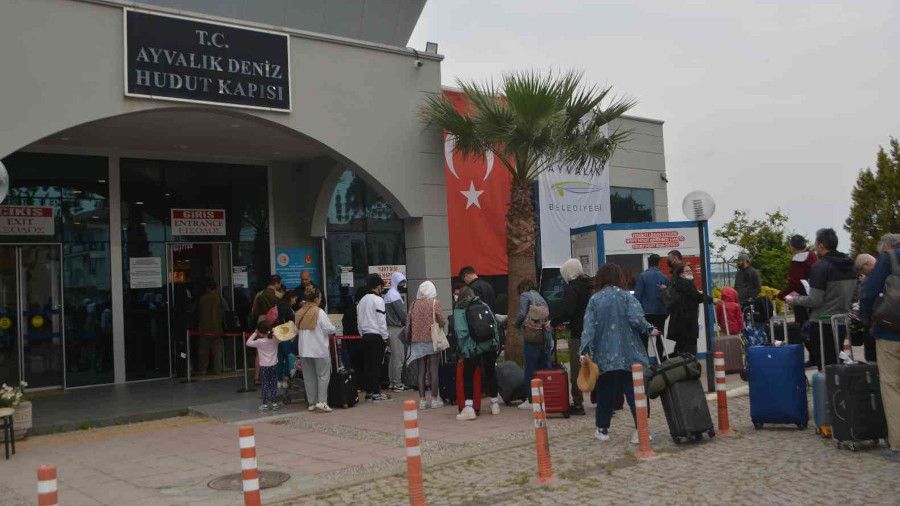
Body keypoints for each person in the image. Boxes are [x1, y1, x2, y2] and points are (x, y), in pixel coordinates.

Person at [580, 263, 658, 443]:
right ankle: (641, 430)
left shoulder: (595, 300)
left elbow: (589, 328)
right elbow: (637, 319)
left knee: (605, 392)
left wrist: (584, 351)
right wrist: (649, 329)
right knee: (635, 393)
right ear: (619, 277)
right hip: (630, 354)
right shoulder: (627, 297)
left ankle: (602, 429)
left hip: (604, 356)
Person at [786, 228, 856, 369]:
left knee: (825, 366)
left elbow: (815, 300)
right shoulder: (850, 265)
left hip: (822, 321)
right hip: (841, 320)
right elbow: (855, 294)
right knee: (837, 362)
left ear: (821, 246)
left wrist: (795, 300)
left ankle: (828, 390)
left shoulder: (821, 267)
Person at [860, 233, 900, 462]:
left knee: (892, 386)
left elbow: (869, 291)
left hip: (890, 332)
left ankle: (897, 445)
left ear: (886, 247)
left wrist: (868, 319)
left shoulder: (889, 259)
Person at [550, 258, 593, 415]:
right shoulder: (588, 286)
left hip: (577, 333)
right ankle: (600, 398)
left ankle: (578, 402)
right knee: (593, 366)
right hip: (591, 332)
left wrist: (554, 322)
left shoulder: (572, 288)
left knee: (576, 368)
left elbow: (569, 311)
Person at [453, 286, 501, 420]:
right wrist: (495, 343)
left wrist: (464, 349)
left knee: (468, 376)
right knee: (491, 372)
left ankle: (468, 408)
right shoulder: (483, 304)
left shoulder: (460, 308)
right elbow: (494, 325)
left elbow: (461, 333)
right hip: (489, 345)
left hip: (472, 348)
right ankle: (494, 404)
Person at [405, 280, 447, 410]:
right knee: (434, 370)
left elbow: (408, 321)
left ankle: (422, 400)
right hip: (432, 340)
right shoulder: (435, 303)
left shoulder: (413, 304)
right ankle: (434, 399)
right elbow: (442, 321)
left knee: (421, 371)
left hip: (417, 341)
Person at [296, 286, 336, 412]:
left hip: (304, 350)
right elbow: (328, 329)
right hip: (319, 349)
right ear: (317, 298)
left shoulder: (300, 312)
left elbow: (296, 330)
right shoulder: (319, 312)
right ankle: (322, 402)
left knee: (309, 377)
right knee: (323, 375)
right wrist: (335, 328)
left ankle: (312, 403)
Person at [514, 279, 551, 411]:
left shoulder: (525, 296)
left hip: (533, 335)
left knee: (530, 367)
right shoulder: (540, 296)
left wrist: (516, 324)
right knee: (544, 366)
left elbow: (522, 314)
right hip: (545, 335)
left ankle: (531, 399)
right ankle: (547, 396)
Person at [667, 263, 714, 356]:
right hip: (687, 323)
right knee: (689, 350)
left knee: (680, 348)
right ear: (681, 274)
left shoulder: (678, 284)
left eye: (690, 270)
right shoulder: (686, 283)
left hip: (680, 323)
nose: (690, 272)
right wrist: (712, 299)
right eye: (687, 271)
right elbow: (697, 296)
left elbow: (692, 297)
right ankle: (688, 367)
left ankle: (677, 366)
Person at [357, 274, 391, 401]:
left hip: (365, 335)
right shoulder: (378, 300)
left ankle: (369, 391)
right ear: (378, 287)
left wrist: (361, 333)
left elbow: (359, 320)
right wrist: (385, 337)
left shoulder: (362, 300)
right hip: (376, 336)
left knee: (368, 365)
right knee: (377, 365)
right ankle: (376, 392)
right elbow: (381, 320)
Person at [633, 254, 669, 359]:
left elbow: (637, 296)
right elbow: (669, 296)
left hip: (646, 312)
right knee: (660, 336)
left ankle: (646, 361)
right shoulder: (664, 277)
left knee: (644, 337)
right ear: (659, 263)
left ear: (649, 262)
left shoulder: (642, 276)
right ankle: (661, 360)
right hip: (661, 312)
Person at [776, 235, 818, 326]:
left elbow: (795, 285)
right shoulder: (813, 256)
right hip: (817, 297)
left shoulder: (798, 261)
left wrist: (782, 295)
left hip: (803, 301)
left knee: (803, 329)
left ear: (792, 247)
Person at [384, 271, 411, 392]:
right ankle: (397, 382)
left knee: (393, 357)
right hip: (396, 329)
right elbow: (402, 314)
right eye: (401, 282)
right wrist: (408, 323)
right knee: (399, 357)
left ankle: (392, 381)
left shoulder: (390, 294)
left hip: (390, 328)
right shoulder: (394, 295)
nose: (403, 285)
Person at [246, 320, 280, 411]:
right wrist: (275, 332)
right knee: (273, 384)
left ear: (260, 332)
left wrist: (254, 333)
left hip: (264, 367)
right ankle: (274, 403)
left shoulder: (259, 342)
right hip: (274, 365)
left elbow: (248, 342)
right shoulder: (275, 339)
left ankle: (265, 404)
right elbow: (283, 337)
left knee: (264, 385)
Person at [196, 279, 228, 375]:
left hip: (204, 329)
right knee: (217, 352)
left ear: (207, 288)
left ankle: (203, 370)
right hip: (217, 329)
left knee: (203, 352)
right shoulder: (220, 298)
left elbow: (196, 312)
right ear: (216, 288)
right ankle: (218, 369)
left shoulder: (201, 299)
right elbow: (226, 310)